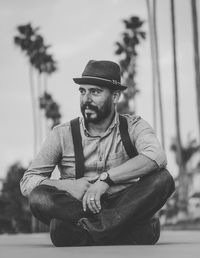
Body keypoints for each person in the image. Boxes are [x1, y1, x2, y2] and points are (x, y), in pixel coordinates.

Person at [20, 60, 175, 247]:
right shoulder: (62, 134)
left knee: (163, 179)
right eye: (83, 91)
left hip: (125, 205)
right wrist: (69, 186)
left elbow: (156, 156)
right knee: (39, 197)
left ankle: (87, 232)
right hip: (79, 208)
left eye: (95, 92)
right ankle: (121, 230)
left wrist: (106, 180)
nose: (86, 99)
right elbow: (28, 181)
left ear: (116, 96)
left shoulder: (134, 126)